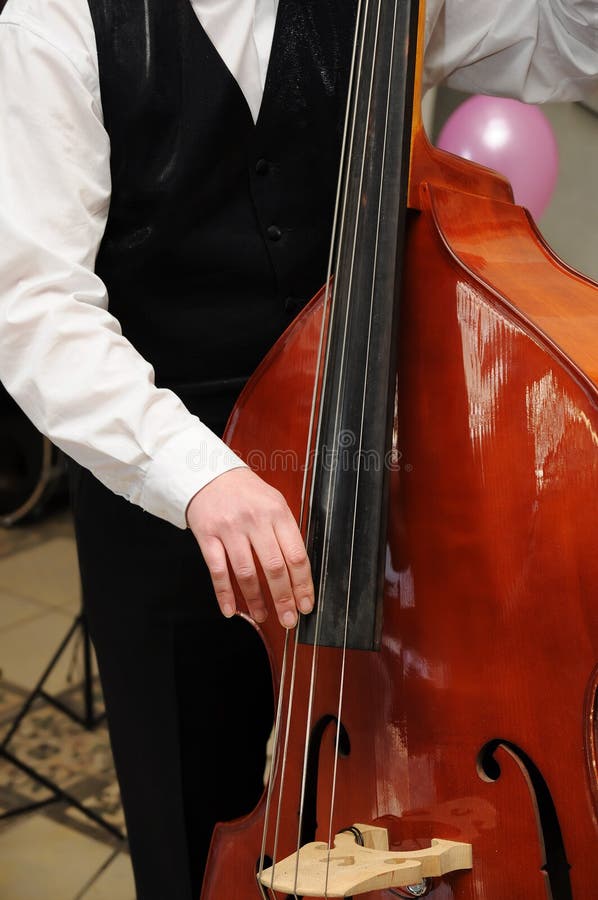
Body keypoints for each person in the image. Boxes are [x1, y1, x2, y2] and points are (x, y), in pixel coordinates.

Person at [0, 1, 597, 897]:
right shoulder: (55, 20)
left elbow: (567, 49)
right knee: (192, 830)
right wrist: (199, 476)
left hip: (387, 466)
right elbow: (33, 303)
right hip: (168, 486)